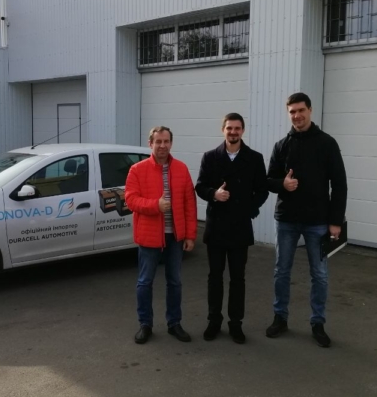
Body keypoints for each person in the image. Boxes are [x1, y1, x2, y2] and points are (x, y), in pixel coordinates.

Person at [265, 92, 347, 348]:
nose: (297, 116)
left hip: (318, 222)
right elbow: (268, 180)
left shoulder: (327, 143)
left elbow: (340, 184)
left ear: (310, 110)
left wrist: (335, 221)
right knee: (281, 271)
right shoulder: (281, 145)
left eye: (301, 110)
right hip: (286, 220)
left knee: (319, 275)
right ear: (288, 114)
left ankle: (318, 323)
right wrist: (282, 184)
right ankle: (280, 318)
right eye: (292, 112)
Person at [195, 113, 268, 343]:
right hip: (216, 226)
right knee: (214, 277)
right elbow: (200, 186)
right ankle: (214, 321)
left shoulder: (254, 158)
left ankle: (236, 324)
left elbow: (262, 190)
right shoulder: (210, 157)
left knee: (238, 278)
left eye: (237, 128)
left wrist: (249, 209)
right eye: (229, 128)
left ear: (243, 130)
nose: (233, 132)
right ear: (223, 130)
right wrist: (213, 194)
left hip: (239, 227)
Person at [125, 126, 197, 344]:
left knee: (175, 282)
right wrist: (155, 205)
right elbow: (131, 200)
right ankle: (145, 324)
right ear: (150, 144)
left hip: (175, 237)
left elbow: (189, 203)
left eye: (166, 141)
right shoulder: (137, 170)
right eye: (158, 142)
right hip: (149, 237)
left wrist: (190, 235)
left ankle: (174, 323)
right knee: (145, 282)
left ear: (171, 143)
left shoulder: (181, 169)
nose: (162, 146)